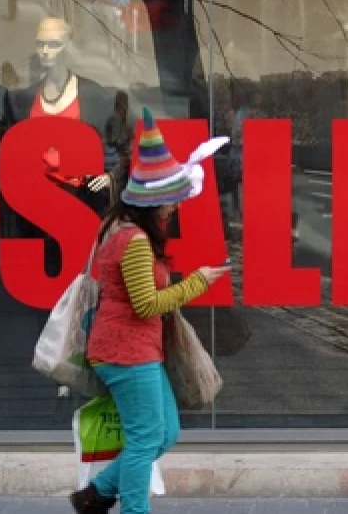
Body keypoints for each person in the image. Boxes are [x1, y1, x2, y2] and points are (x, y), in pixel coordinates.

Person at [70, 107, 230, 514]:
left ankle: (96, 494)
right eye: (171, 201)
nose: (174, 208)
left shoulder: (118, 226)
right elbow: (146, 305)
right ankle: (131, 508)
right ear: (154, 203)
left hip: (134, 350)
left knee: (166, 431)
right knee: (145, 440)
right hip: (127, 352)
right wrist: (198, 282)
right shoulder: (136, 240)